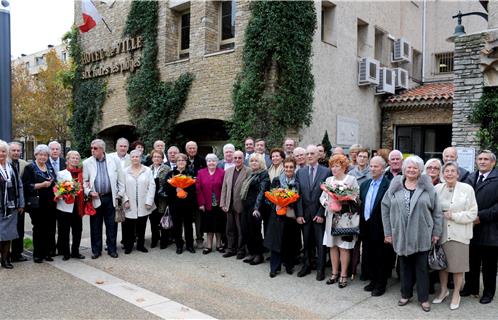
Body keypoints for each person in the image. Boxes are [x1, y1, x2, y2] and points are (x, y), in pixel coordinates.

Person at [382, 155, 442, 312]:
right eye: (409, 167)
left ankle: (423, 299)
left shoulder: (427, 188)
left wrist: (436, 232)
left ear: (420, 170)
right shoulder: (395, 186)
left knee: (422, 268)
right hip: (400, 233)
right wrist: (388, 232)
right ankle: (405, 294)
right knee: (404, 266)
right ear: (404, 169)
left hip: (422, 233)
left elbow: (437, 211)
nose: (411, 170)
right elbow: (385, 208)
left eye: (415, 167)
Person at [432, 161, 477, 310]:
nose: (449, 174)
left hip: (459, 234)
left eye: (452, 171)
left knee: (458, 267)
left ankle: (456, 293)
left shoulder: (467, 189)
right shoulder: (437, 188)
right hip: (441, 233)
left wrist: (454, 216)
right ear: (442, 174)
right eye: (446, 171)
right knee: (442, 266)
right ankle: (444, 291)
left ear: (458, 174)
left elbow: (472, 213)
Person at [461, 150, 498, 304]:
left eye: (486, 159)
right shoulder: (471, 177)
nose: (482, 162)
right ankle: (471, 287)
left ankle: (488, 293)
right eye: (480, 159)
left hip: (490, 229)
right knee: (471, 261)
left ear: (493, 163)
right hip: (471, 228)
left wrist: (480, 217)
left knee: (489, 264)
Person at [321, 154, 359, 288]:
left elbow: (356, 198)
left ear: (344, 167)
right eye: (332, 166)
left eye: (337, 166)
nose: (334, 169)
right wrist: (328, 203)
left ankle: (343, 275)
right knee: (332, 246)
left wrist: (343, 201)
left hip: (345, 219)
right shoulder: (329, 180)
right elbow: (322, 197)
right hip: (331, 218)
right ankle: (334, 273)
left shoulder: (351, 179)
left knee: (344, 248)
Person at [83, 139, 125, 259]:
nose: (92, 150)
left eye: (95, 148)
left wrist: (120, 194)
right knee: (95, 226)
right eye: (91, 148)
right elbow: (85, 181)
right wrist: (89, 192)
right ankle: (96, 250)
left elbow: (121, 179)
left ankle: (112, 249)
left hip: (111, 197)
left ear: (102, 149)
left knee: (112, 225)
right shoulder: (87, 163)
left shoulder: (114, 160)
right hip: (96, 198)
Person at [296, 145, 332, 281]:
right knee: (306, 241)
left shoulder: (326, 172)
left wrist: (321, 213)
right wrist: (299, 214)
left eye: (312, 153)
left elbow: (328, 195)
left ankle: (320, 269)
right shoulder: (300, 172)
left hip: (318, 213)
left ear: (318, 155)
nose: (309, 156)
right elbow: (298, 195)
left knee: (320, 243)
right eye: (307, 153)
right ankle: (306, 265)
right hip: (305, 214)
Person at [359, 156, 393, 297]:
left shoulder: (389, 185)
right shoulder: (365, 184)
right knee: (369, 256)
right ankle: (373, 281)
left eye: (376, 166)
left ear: (383, 168)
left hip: (381, 227)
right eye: (371, 166)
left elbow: (392, 209)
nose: (372, 169)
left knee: (381, 258)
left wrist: (389, 232)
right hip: (366, 226)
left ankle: (380, 284)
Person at [264, 157, 301, 277]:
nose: (288, 169)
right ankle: (274, 267)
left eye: (291, 167)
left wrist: (292, 207)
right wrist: (276, 205)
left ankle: (289, 265)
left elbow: (300, 199)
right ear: (283, 167)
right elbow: (269, 197)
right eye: (286, 167)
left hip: (291, 217)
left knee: (289, 241)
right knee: (276, 242)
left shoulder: (297, 182)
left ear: (294, 168)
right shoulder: (276, 180)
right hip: (277, 216)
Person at [22, 144, 56, 263]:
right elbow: (26, 186)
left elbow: (54, 182)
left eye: (45, 155)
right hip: (36, 204)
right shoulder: (30, 168)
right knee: (38, 228)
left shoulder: (49, 167)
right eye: (40, 154)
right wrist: (42, 185)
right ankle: (38, 254)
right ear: (36, 155)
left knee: (49, 228)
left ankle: (47, 253)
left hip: (50, 203)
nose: (43, 157)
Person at [122, 150, 156, 254]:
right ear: (130, 158)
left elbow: (152, 186)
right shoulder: (124, 171)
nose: (135, 158)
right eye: (133, 157)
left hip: (143, 203)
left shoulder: (147, 170)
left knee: (142, 225)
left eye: (137, 157)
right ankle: (129, 246)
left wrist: (149, 201)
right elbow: (121, 187)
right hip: (129, 203)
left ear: (140, 158)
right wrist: (125, 200)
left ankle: (140, 245)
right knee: (129, 227)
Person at [54, 151, 86, 260]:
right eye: (73, 157)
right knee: (64, 232)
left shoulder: (82, 173)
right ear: (67, 160)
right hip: (64, 207)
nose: (75, 159)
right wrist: (66, 192)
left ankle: (75, 252)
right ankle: (66, 253)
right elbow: (58, 190)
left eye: (77, 157)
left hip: (78, 207)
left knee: (78, 231)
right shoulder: (61, 173)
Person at [240, 153, 269, 265]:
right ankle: (252, 252)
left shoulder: (264, 174)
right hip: (246, 206)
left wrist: (256, 208)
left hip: (256, 207)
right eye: (251, 161)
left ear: (261, 162)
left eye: (256, 161)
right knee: (245, 230)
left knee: (255, 231)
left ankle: (258, 254)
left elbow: (262, 192)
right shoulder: (251, 174)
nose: (253, 163)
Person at [220, 150, 249, 259]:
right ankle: (231, 249)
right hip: (229, 205)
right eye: (235, 158)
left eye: (239, 158)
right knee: (230, 229)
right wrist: (223, 203)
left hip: (241, 205)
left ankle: (241, 250)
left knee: (240, 229)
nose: (237, 160)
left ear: (243, 159)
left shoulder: (248, 171)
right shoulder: (228, 171)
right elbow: (224, 188)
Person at [165, 153, 196, 254]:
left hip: (188, 204)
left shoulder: (191, 173)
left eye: (183, 160)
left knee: (188, 226)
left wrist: (185, 191)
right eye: (179, 160)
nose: (181, 162)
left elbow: (195, 188)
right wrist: (176, 190)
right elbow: (167, 189)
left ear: (186, 162)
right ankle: (179, 245)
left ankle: (190, 245)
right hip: (175, 204)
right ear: (176, 162)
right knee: (177, 226)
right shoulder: (171, 174)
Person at [0, 140, 24, 269]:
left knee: (8, 235)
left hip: (11, 206)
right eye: (0, 151)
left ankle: (5, 260)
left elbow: (19, 186)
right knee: (0, 234)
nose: (2, 154)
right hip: (0, 207)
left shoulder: (11, 167)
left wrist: (21, 203)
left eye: (4, 151)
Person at [196, 154, 225, 254]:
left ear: (217, 162)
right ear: (206, 162)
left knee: (219, 225)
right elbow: (198, 189)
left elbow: (225, 189)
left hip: (219, 203)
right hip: (206, 204)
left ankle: (219, 244)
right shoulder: (201, 172)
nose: (211, 163)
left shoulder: (222, 172)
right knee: (208, 225)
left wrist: (223, 202)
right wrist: (201, 203)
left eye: (213, 161)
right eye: (209, 161)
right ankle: (208, 245)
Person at [8, 141, 28, 262]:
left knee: (19, 229)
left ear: (21, 152)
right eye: (13, 150)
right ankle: (5, 254)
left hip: (20, 203)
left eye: (18, 151)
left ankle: (17, 254)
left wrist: (22, 203)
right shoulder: (4, 164)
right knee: (6, 229)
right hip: (7, 203)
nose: (16, 153)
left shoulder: (25, 165)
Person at [185, 141, 207, 248]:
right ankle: (188, 239)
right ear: (186, 150)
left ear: (197, 149)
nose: (192, 150)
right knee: (187, 217)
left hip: (199, 192)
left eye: (194, 148)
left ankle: (199, 238)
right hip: (187, 193)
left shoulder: (202, 160)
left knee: (199, 218)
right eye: (190, 148)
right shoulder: (183, 159)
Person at [149, 149, 170, 249]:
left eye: (159, 157)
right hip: (151, 199)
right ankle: (154, 239)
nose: (156, 158)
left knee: (163, 219)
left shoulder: (167, 169)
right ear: (152, 158)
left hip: (163, 199)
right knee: (153, 220)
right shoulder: (148, 169)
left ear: (162, 158)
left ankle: (164, 241)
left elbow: (170, 184)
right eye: (155, 157)